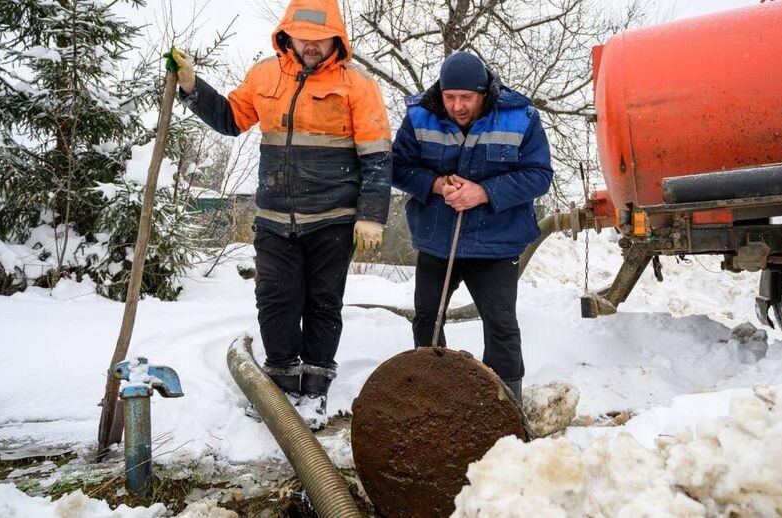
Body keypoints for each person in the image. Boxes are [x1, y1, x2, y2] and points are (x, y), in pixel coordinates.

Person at [170, 0, 392, 428]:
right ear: (287, 34)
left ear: (336, 38)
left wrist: (371, 214)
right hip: (274, 217)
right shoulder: (264, 75)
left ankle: (315, 390)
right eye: (302, 38)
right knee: (275, 300)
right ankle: (283, 385)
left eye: (319, 39)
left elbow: (378, 157)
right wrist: (192, 86)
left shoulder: (357, 85)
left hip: (333, 217)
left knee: (322, 303)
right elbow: (231, 119)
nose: (310, 46)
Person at [391, 51, 553, 403]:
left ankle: (504, 404)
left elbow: (539, 176)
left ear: (484, 93)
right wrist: (437, 185)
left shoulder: (521, 118)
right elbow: (398, 167)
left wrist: (484, 192)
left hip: (496, 242)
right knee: (427, 319)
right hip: (437, 239)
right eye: (450, 97)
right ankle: (433, 396)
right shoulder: (419, 116)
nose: (457, 106)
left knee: (500, 325)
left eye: (466, 97)